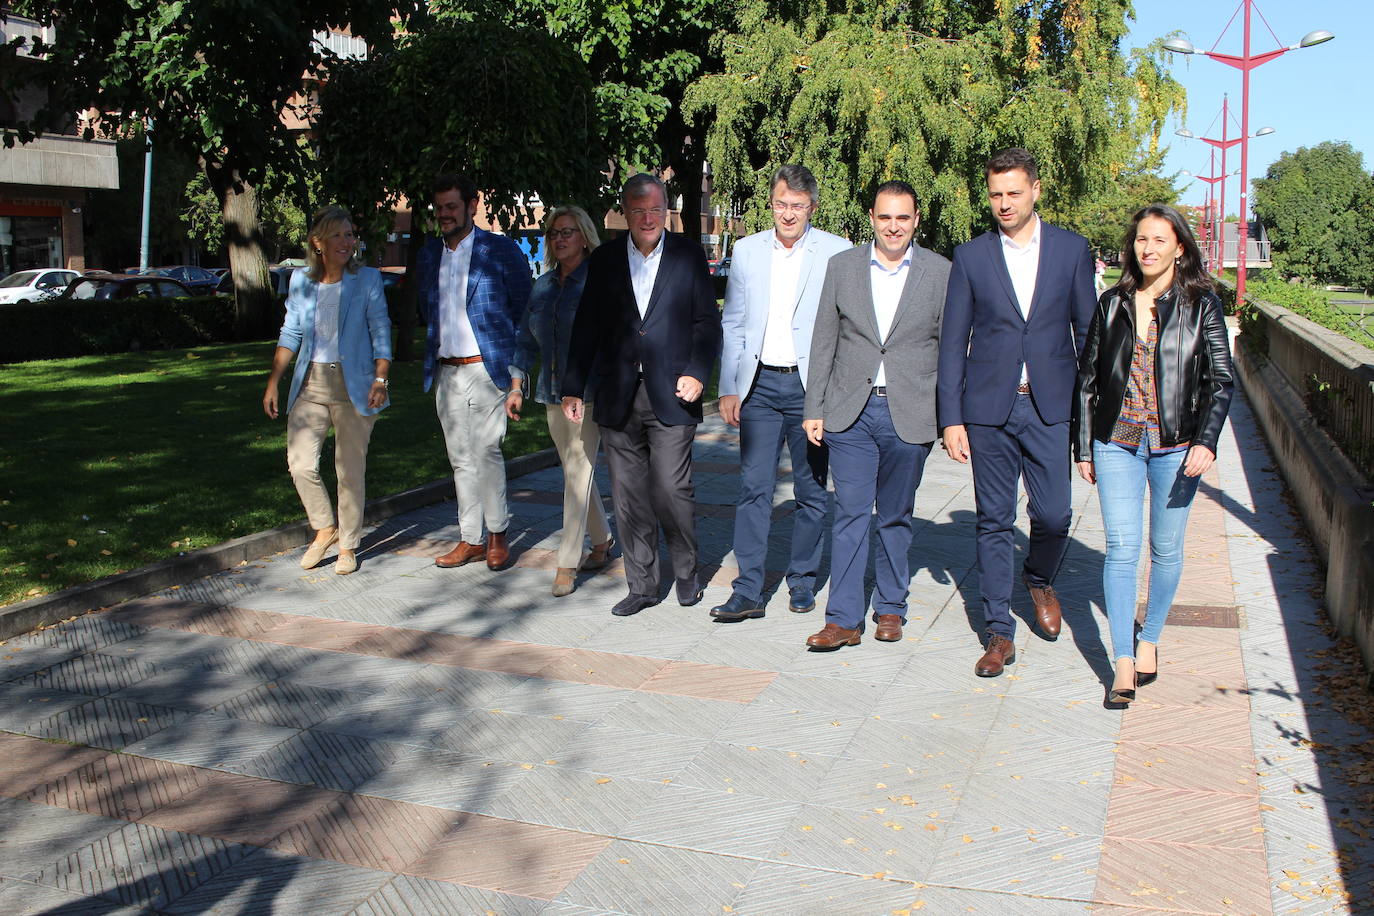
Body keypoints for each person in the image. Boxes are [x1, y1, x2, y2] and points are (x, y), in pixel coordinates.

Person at [937, 148, 1096, 677]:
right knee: (993, 521)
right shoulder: (972, 256)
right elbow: (953, 340)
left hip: (1050, 405)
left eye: (1013, 192)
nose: (1004, 203)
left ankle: (1038, 576)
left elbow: (1089, 338)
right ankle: (998, 634)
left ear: (1036, 190)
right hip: (988, 410)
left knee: (1054, 515)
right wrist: (951, 417)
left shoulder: (1072, 251)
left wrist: (1091, 422)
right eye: (996, 194)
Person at [1073, 204, 1234, 704]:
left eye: (1160, 240)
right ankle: (1122, 661)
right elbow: (1087, 380)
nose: (1148, 249)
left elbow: (1220, 379)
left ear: (1179, 247)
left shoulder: (1202, 304)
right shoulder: (1112, 302)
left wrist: (1206, 440)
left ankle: (1150, 638)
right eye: (1142, 240)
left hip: (1177, 446)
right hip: (1116, 441)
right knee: (1122, 549)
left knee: (1166, 551)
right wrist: (1083, 447)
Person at [561, 173, 722, 617]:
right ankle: (643, 585)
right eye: (638, 210)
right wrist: (573, 386)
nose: (647, 218)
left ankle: (686, 573)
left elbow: (707, 323)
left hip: (673, 393)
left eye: (655, 209)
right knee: (630, 497)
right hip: (617, 396)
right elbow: (587, 325)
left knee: (671, 488)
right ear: (625, 214)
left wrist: (697, 372)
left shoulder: (689, 255)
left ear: (666, 210)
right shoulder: (607, 260)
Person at [801, 180, 950, 649]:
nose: (893, 227)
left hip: (911, 412)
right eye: (885, 217)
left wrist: (950, 419)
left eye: (902, 218)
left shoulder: (940, 272)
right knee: (849, 513)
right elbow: (824, 339)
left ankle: (890, 607)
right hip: (851, 413)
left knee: (895, 515)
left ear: (916, 220)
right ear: (871, 217)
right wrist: (814, 407)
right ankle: (843, 619)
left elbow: (949, 350)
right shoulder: (842, 267)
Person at [711, 165, 851, 623]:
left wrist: (833, 396)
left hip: (810, 390)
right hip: (759, 388)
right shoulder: (749, 251)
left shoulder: (835, 251)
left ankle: (802, 581)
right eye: (780, 204)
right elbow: (732, 322)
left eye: (797, 205)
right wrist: (729, 386)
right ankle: (748, 588)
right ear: (770, 204)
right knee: (753, 488)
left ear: (811, 206)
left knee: (812, 492)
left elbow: (845, 328)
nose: (787, 214)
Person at [262, 205, 391, 576]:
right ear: (317, 242)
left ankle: (349, 544)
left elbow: (380, 330)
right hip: (311, 382)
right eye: (338, 235)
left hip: (356, 383)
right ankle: (324, 527)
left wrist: (380, 379)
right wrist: (274, 381)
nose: (347, 242)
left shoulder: (366, 279)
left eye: (350, 234)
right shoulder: (301, 281)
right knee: (300, 463)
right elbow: (291, 333)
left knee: (349, 471)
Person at [416, 173, 532, 571]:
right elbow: (427, 311)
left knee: (486, 451)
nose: (445, 214)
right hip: (447, 372)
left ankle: (498, 534)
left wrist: (517, 375)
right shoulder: (430, 255)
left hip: (488, 370)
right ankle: (471, 539)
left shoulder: (500, 251)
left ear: (472, 205)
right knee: (460, 458)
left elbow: (523, 314)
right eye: (440, 207)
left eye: (452, 206)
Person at [514, 205, 615, 597]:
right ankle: (603, 540)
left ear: (585, 237)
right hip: (551, 392)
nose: (560, 238)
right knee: (578, 472)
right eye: (554, 233)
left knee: (576, 473)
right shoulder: (541, 287)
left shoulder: (599, 281)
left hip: (589, 393)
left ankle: (567, 562)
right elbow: (525, 338)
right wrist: (514, 384)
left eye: (568, 232)